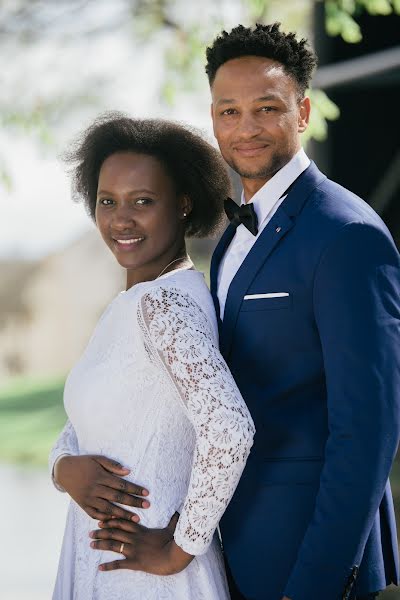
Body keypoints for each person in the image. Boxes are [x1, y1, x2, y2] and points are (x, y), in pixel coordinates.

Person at [205, 23, 400, 600]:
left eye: (267, 108)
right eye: (229, 111)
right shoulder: (229, 239)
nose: (246, 129)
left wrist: (317, 582)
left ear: (303, 111)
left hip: (310, 561)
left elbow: (367, 431)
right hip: (233, 549)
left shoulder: (347, 234)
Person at [49, 114, 255, 600]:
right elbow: (88, 421)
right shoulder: (134, 302)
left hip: (144, 572)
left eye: (143, 201)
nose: (121, 219)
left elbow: (229, 428)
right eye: (107, 201)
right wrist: (62, 469)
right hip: (106, 558)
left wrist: (181, 547)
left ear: (183, 204)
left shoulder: (164, 305)